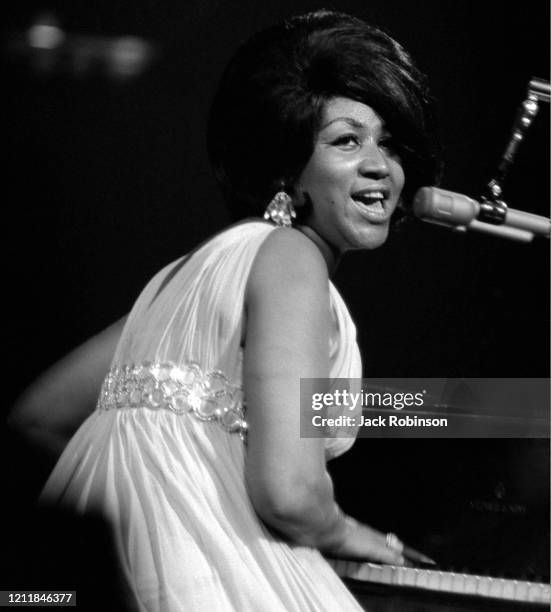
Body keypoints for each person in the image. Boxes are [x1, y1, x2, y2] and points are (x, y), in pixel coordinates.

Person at [8, 10, 439, 611]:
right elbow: (289, 492)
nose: (380, 165)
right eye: (347, 140)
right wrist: (361, 537)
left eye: (390, 145)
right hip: (210, 578)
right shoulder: (291, 255)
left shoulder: (184, 275)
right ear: (289, 167)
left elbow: (39, 415)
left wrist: (144, 510)